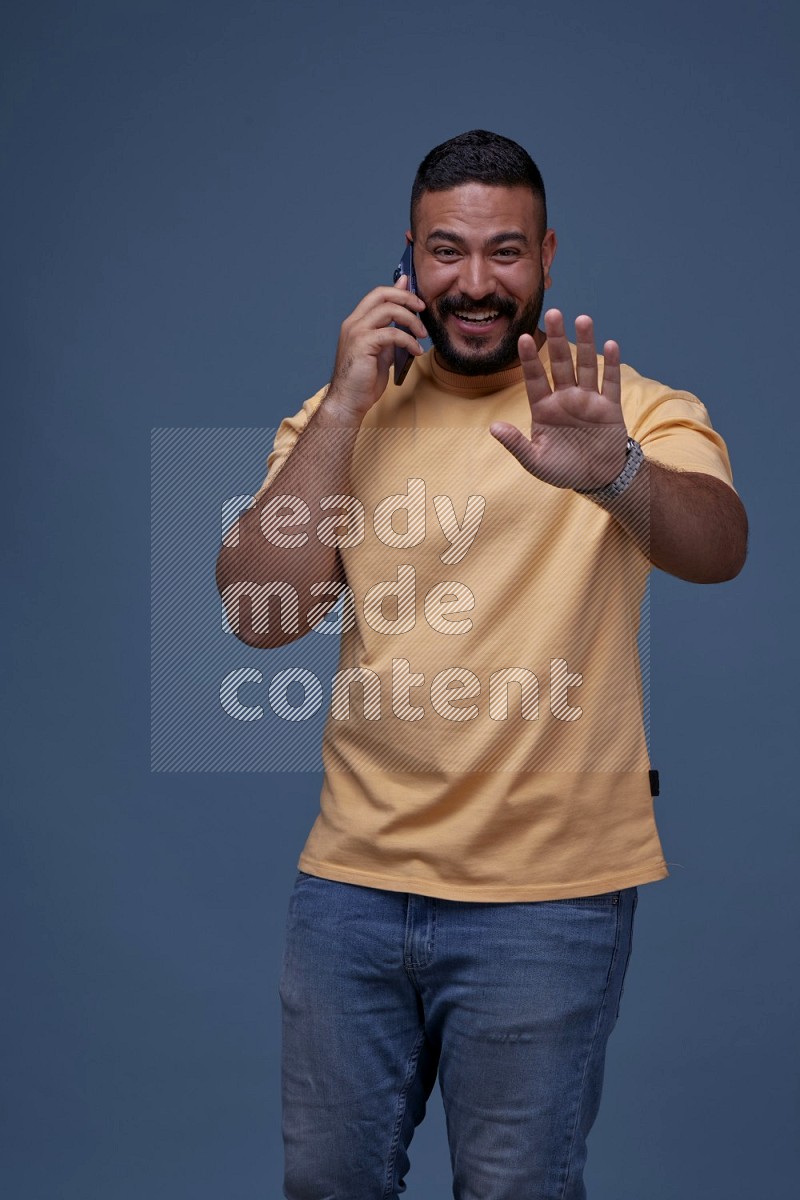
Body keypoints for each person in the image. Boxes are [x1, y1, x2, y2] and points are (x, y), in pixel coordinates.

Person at [216, 130, 747, 1200]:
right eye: (445, 251)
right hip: (352, 889)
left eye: (503, 252)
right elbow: (258, 612)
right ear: (404, 260)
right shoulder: (336, 422)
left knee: (513, 1192)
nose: (474, 282)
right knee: (325, 1184)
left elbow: (717, 548)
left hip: (547, 898)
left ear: (545, 255)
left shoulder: (622, 405)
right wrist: (340, 404)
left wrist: (616, 475)